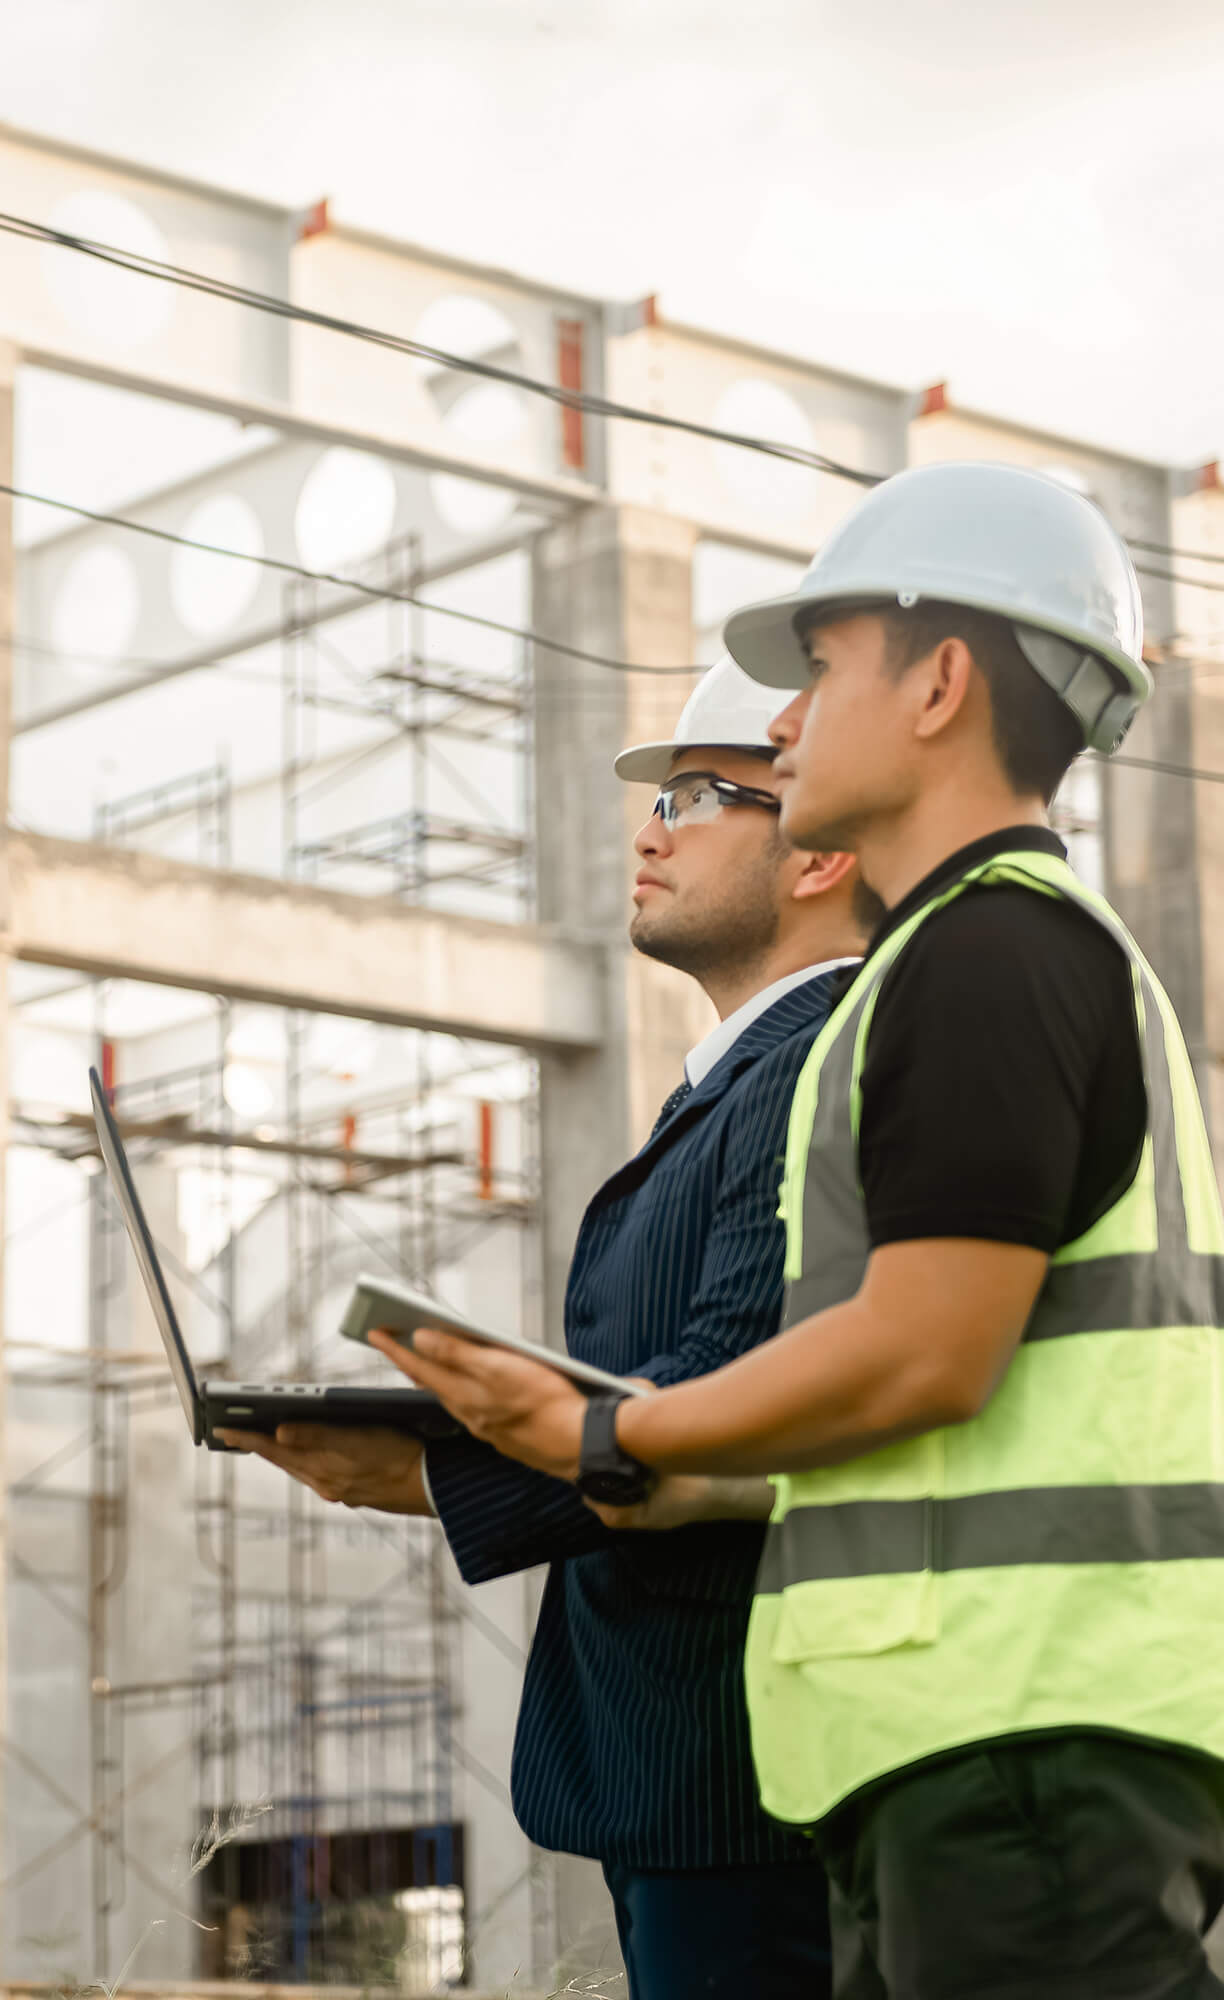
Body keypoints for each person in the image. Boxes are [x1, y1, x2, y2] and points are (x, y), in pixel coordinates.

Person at [372, 464, 1224, 2000]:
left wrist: (619, 1435)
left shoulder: (992, 954)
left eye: (818, 670)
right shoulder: (968, 960)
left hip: (1029, 1731)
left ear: (942, 683)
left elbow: (924, 1352)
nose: (789, 719)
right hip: (979, 1735)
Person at [220, 654, 880, 2000]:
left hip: (745, 1775)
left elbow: (728, 1390)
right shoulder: (737, 1077)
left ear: (817, 858)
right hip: (679, 1764)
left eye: (699, 795)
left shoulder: (816, 1064)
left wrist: (431, 1469)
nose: (651, 826)